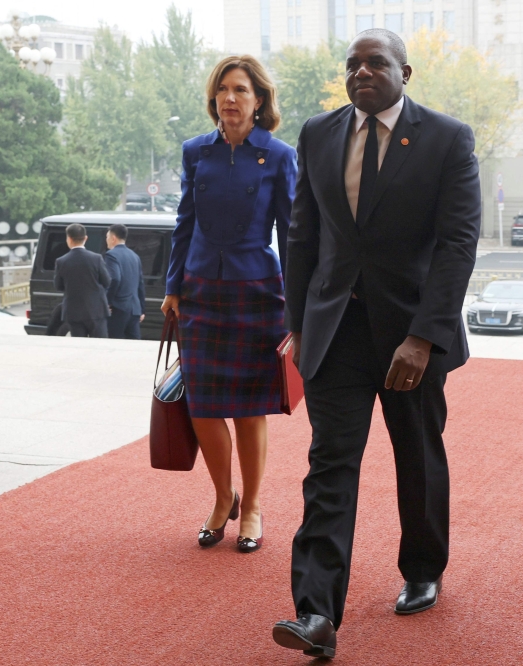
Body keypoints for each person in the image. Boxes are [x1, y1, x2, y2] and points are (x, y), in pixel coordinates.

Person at [272, 29, 481, 658]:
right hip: (336, 329)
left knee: (415, 456)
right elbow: (302, 235)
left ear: (405, 72)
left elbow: (457, 243)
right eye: (353, 64)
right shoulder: (318, 133)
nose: (362, 72)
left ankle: (422, 567)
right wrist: (299, 322)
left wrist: (424, 336)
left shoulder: (447, 138)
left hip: (411, 335)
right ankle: (315, 613)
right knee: (330, 464)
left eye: (376, 63)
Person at [160, 55, 295, 553]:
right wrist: (173, 287)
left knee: (249, 408)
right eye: (222, 89)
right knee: (203, 404)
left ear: (258, 100)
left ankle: (253, 507)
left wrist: (296, 304)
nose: (230, 98)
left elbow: (292, 232)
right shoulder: (196, 151)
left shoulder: (279, 156)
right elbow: (184, 223)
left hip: (257, 292)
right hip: (199, 291)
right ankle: (224, 498)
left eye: (240, 89)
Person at [53, 224, 111, 338]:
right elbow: (107, 282)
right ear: (85, 238)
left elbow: (58, 286)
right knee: (100, 345)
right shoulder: (96, 258)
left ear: (68, 239)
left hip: (73, 311)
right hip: (96, 310)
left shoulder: (61, 261)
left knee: (79, 345)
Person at [103, 224, 146, 340]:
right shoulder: (135, 256)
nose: (106, 240)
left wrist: (107, 302)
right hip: (134, 309)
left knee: (114, 344)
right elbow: (140, 284)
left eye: (107, 237)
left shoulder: (111, 255)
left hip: (118, 309)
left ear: (113, 238)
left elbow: (115, 279)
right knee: (134, 346)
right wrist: (141, 309)